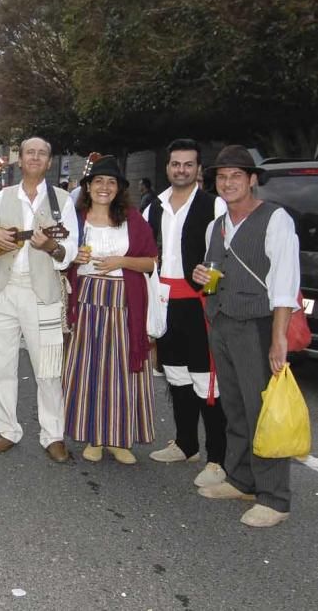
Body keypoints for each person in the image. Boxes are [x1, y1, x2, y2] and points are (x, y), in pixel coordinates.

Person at [193, 145, 299, 528]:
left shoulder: (275, 219)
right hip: (221, 321)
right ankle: (241, 478)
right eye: (222, 177)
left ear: (253, 180)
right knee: (234, 407)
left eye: (236, 176)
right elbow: (213, 273)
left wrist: (278, 339)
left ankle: (275, 497)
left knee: (262, 412)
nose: (228, 183)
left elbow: (285, 283)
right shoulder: (216, 224)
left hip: (256, 324)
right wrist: (202, 278)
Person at [0, 137, 78, 463]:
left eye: (42, 153)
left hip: (42, 292)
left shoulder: (62, 201)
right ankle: (6, 430)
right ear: (20, 159)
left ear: (49, 161)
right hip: (2, 290)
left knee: (48, 369)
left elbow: (69, 250)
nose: (35, 157)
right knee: (1, 365)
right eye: (30, 152)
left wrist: (51, 248)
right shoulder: (1, 198)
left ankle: (53, 435)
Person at [63, 155, 158, 464]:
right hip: (87, 300)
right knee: (89, 369)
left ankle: (119, 439)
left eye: (111, 182)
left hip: (123, 302)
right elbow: (60, 258)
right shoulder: (76, 219)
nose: (104, 187)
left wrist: (121, 261)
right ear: (88, 187)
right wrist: (73, 257)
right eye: (99, 181)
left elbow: (150, 262)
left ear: (119, 189)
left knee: (121, 372)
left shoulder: (132, 219)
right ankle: (93, 436)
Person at [145, 139, 228, 487]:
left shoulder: (215, 205)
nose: (181, 169)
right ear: (167, 168)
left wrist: (211, 282)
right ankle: (185, 444)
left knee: (207, 380)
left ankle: (218, 459)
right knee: (176, 375)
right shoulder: (154, 207)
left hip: (199, 304)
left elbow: (228, 253)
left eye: (188, 164)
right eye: (175, 164)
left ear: (198, 170)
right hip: (164, 302)